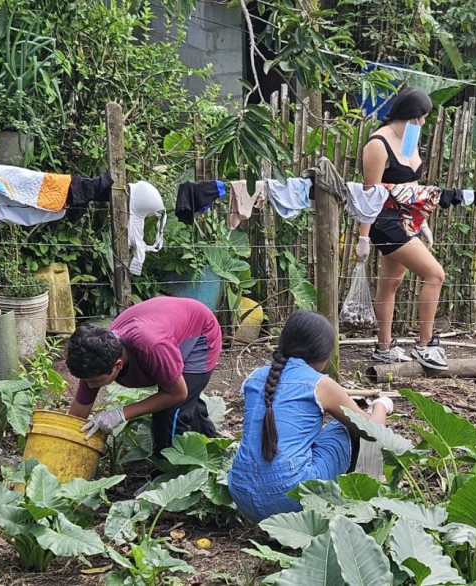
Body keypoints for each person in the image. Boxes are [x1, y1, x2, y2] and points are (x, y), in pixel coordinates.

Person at [227, 310, 393, 522]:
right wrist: (382, 404)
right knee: (344, 428)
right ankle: (343, 504)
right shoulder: (319, 384)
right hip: (292, 500)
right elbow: (372, 430)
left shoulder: (255, 377)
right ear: (324, 354)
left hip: (243, 496)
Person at [356, 86, 448, 370]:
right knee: (435, 274)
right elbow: (368, 195)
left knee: (391, 282)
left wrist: (423, 221)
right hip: (383, 222)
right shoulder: (377, 145)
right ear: (407, 115)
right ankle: (425, 345)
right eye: (419, 117)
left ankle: (384, 347)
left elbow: (411, 185)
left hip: (406, 219)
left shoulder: (409, 138)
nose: (422, 124)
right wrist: (363, 237)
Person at [66, 296, 221, 453]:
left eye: (96, 381)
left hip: (199, 333)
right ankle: (212, 444)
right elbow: (77, 415)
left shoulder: (152, 346)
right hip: (165, 326)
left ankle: (167, 472)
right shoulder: (94, 356)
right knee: (180, 399)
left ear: (118, 364)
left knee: (169, 415)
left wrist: (120, 414)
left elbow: (178, 394)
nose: (90, 385)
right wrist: (66, 442)